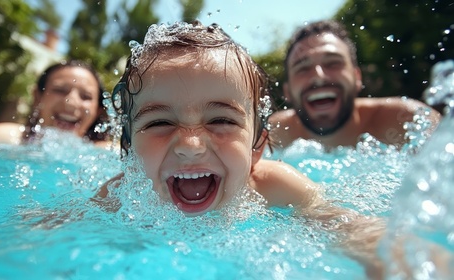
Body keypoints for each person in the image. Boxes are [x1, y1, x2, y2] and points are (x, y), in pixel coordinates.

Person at [94, 21, 388, 278]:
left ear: (257, 146)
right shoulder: (120, 195)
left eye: (221, 120)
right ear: (130, 149)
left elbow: (353, 230)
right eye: (160, 122)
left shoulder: (272, 185)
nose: (190, 146)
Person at [268, 20, 442, 149]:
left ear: (357, 77)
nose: (318, 76)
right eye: (303, 68)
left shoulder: (406, 121)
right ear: (287, 91)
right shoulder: (270, 137)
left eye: (333, 63)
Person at [0, 60, 109, 146]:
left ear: (98, 110)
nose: (71, 103)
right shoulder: (4, 138)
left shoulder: (109, 155)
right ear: (37, 97)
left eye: (86, 96)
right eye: (59, 90)